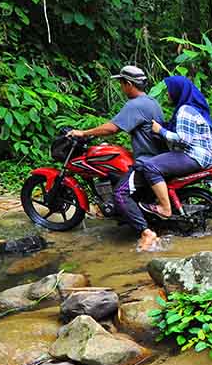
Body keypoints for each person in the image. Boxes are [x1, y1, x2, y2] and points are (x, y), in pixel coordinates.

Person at [67, 65, 167, 250]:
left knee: (120, 193)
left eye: (122, 84)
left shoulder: (135, 105)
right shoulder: (151, 101)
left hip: (148, 161)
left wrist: (84, 132)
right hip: (159, 157)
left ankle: (147, 233)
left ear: (129, 84)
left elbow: (112, 128)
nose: (121, 88)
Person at [122, 75, 212, 251]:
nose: (167, 94)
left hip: (193, 155)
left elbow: (183, 140)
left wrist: (161, 131)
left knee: (150, 166)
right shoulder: (193, 107)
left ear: (178, 91)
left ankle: (165, 208)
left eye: (169, 91)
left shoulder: (185, 110)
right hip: (203, 155)